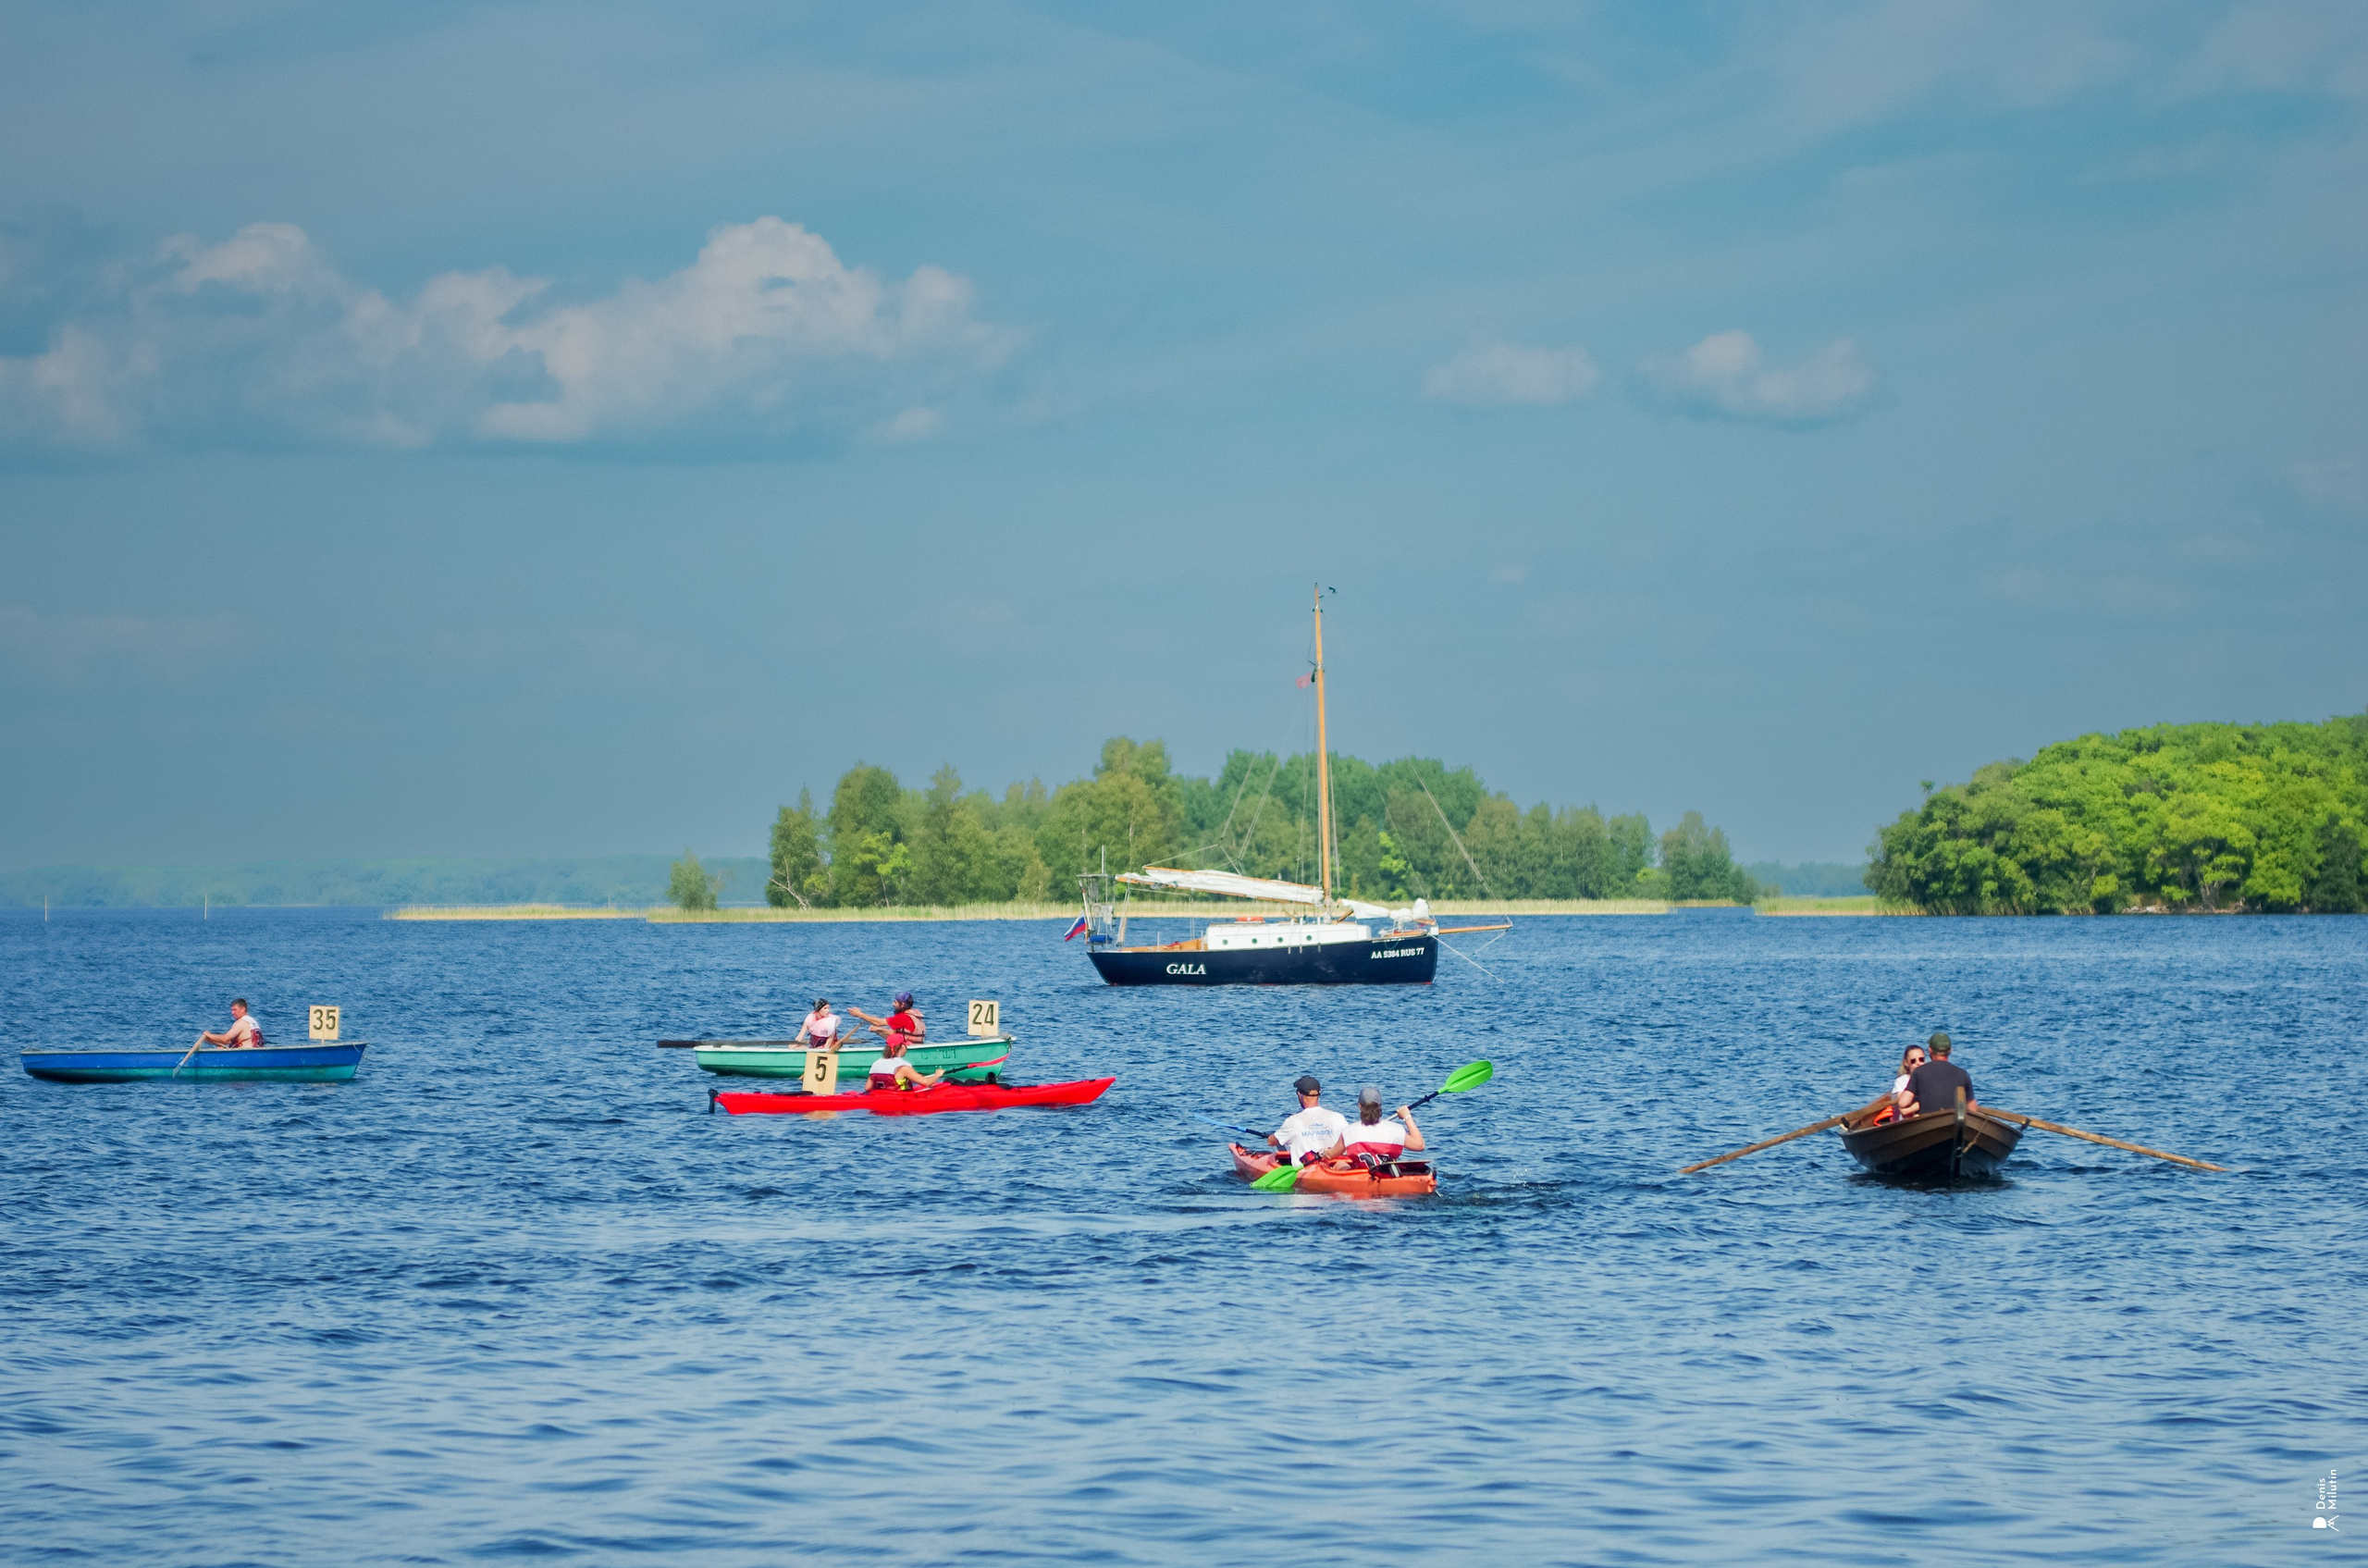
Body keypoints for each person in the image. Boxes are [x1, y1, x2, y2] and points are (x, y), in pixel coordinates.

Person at [1268, 1075, 1350, 1166]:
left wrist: (1274, 1136)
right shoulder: (1338, 1118)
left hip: (1308, 1170)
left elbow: (1271, 1142)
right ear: (1319, 1094)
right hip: (1333, 1166)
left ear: (1300, 1095)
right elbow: (1349, 1143)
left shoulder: (1293, 1121)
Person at [1333, 1085, 1425, 1164]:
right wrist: (1407, 1117)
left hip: (1361, 1176)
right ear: (1379, 1106)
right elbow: (1419, 1146)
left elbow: (1330, 1155)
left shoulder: (1349, 1131)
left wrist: (1324, 1153)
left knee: (1340, 1165)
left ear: (1359, 1105)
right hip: (1388, 1176)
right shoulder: (1395, 1129)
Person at [1901, 1031, 1976, 1117]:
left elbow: (1903, 1103)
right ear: (1950, 1050)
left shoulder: (1919, 1072)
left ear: (1930, 1050)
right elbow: (1972, 1109)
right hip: (1953, 1121)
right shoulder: (1963, 1074)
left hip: (1926, 1123)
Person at [866, 1035, 944, 1092]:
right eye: (905, 1045)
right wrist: (937, 1075)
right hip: (899, 1099)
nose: (906, 1048)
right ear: (901, 1046)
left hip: (882, 1099)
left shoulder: (876, 1064)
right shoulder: (903, 1066)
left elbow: (868, 1088)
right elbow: (926, 1083)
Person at [852, 992, 925, 1048]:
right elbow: (898, 1034)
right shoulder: (914, 1016)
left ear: (902, 1005)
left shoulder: (903, 1017)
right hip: (914, 1047)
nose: (893, 1004)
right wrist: (878, 1030)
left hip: (907, 1049)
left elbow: (878, 1022)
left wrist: (859, 1014)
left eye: (895, 1002)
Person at [196, 998, 265, 1050]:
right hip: (256, 1054)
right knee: (221, 1048)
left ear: (243, 1009)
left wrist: (209, 1035)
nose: (232, 1013)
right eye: (231, 1010)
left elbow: (225, 1039)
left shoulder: (242, 1022)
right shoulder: (252, 1022)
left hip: (247, 1056)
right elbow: (229, 1041)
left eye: (234, 1010)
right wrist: (210, 1039)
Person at [1890, 1043, 1930, 1114]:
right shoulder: (1901, 1081)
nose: (1918, 1063)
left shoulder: (1930, 1078)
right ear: (1906, 1063)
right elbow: (1903, 1107)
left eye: (1921, 1059)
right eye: (1913, 1061)